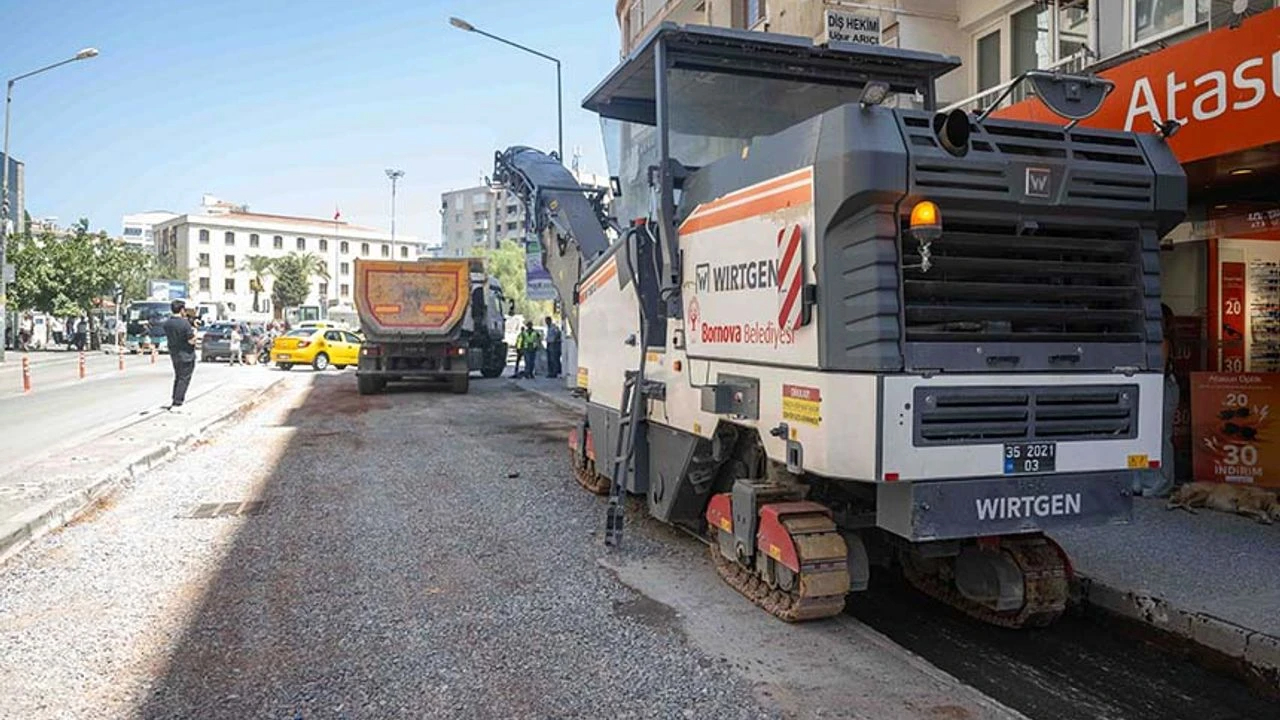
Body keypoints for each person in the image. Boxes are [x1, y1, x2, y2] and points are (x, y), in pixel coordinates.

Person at [1135, 304, 1178, 498]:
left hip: (1162, 388)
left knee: (1161, 436)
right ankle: (1143, 480)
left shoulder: (1162, 341)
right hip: (1152, 387)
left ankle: (1162, 482)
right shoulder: (1151, 340)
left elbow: (1158, 368)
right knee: (1145, 437)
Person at [163, 300, 198, 410]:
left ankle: (175, 398)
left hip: (174, 353)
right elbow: (191, 340)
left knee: (178, 377)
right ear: (182, 310)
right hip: (186, 355)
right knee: (184, 379)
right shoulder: (184, 324)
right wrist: (195, 331)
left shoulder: (167, 323)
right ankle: (177, 403)